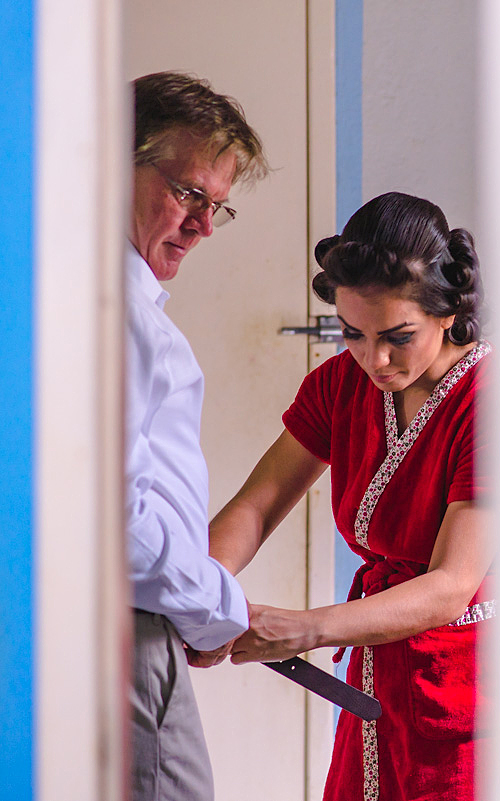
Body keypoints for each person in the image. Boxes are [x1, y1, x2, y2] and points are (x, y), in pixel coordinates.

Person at [206, 192, 493, 801]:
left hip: (467, 691)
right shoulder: (340, 384)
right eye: (353, 334)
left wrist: (307, 629)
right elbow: (257, 506)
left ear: (449, 312)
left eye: (398, 335)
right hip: (376, 684)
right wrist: (198, 590)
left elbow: (451, 585)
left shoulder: (491, 401)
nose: (375, 359)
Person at [125, 71, 268, 801]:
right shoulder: (109, 311)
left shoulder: (129, 308)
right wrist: (213, 606)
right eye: (188, 194)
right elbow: (112, 520)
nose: (204, 225)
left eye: (218, 206)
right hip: (133, 628)